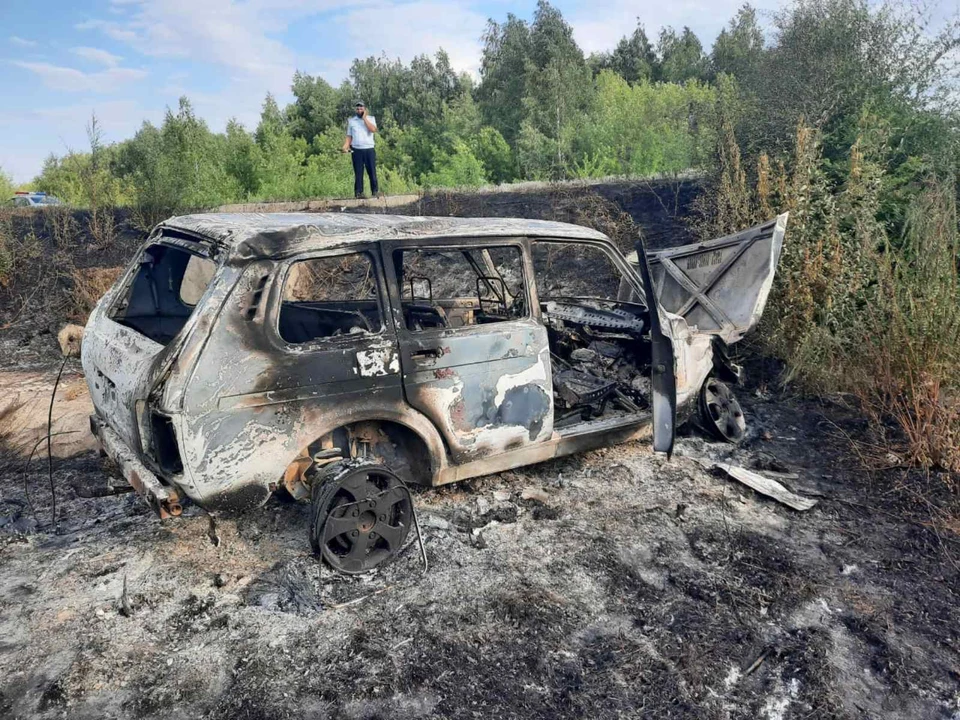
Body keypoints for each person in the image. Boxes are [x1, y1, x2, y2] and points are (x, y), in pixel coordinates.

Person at [341, 101, 378, 199]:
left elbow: (373, 130)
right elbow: (349, 136)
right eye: (357, 108)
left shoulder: (371, 119)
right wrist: (345, 146)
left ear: (365, 109)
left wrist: (364, 118)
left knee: (372, 172)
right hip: (356, 150)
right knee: (358, 173)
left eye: (361, 108)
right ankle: (358, 194)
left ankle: (375, 192)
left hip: (369, 149)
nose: (359, 110)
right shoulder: (352, 121)